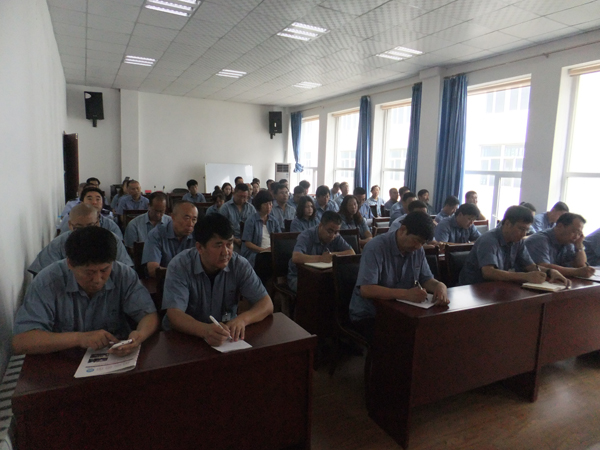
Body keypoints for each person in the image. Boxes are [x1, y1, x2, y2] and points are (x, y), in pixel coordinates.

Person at [13, 227, 159, 355]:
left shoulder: (123, 274)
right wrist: (79, 338)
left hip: (115, 356)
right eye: (89, 272)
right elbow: (22, 341)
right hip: (64, 361)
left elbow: (149, 315)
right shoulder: (47, 282)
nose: (97, 279)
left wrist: (140, 335)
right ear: (70, 264)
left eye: (104, 270)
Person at [162, 214, 274, 347]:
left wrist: (243, 320)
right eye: (218, 245)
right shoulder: (180, 265)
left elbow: (266, 304)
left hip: (225, 338)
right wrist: (205, 330)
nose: (225, 252)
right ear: (200, 248)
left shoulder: (239, 265)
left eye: (229, 244)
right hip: (185, 338)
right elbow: (175, 315)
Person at [349, 211, 450, 342]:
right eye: (416, 240)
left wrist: (440, 286)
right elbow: (367, 289)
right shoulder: (375, 247)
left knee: (434, 331)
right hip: (370, 314)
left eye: (422, 242)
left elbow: (426, 279)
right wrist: (406, 294)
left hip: (401, 311)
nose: (418, 246)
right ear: (402, 230)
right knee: (404, 339)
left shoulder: (417, 250)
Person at [459, 205, 570, 286]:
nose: (524, 234)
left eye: (526, 230)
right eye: (521, 229)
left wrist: (550, 271)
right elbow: (488, 273)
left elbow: (530, 266)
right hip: (473, 289)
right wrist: (525, 276)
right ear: (507, 223)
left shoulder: (518, 241)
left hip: (497, 286)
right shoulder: (488, 240)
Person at [29, 204, 133, 276]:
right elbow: (41, 274)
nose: (85, 233)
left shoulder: (112, 239)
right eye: (79, 228)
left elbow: (126, 271)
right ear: (70, 225)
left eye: (90, 226)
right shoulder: (59, 243)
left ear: (98, 223)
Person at [287, 211, 355, 292]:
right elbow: (296, 257)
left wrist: (332, 255)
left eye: (336, 232)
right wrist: (321, 258)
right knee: (320, 289)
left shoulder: (336, 236)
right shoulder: (306, 235)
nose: (332, 236)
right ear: (320, 226)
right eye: (329, 231)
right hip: (299, 276)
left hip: (324, 276)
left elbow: (351, 252)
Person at [525, 213, 595, 278]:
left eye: (579, 234)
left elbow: (580, 266)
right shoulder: (539, 240)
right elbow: (543, 267)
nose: (576, 237)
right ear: (560, 226)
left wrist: (579, 246)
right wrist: (575, 272)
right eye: (574, 231)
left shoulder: (568, 242)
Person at [142, 201, 198, 277]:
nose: (190, 224)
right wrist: (182, 275)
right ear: (173, 217)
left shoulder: (197, 234)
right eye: (187, 218)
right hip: (164, 281)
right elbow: (153, 270)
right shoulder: (156, 234)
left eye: (194, 219)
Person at [241, 190, 281, 267]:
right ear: (259, 205)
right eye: (265, 204)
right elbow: (248, 243)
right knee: (266, 258)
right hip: (255, 253)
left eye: (270, 203)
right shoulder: (251, 220)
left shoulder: (274, 220)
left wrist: (272, 249)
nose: (268, 207)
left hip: (271, 251)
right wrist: (263, 250)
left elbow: (279, 239)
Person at [218, 183, 256, 251]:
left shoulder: (251, 208)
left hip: (248, 240)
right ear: (234, 194)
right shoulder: (225, 208)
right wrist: (234, 239)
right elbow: (221, 228)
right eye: (240, 196)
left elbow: (255, 226)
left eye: (245, 197)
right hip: (230, 240)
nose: (242, 199)